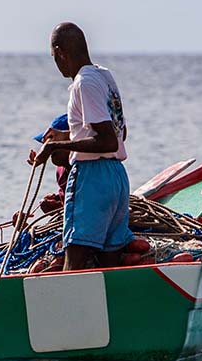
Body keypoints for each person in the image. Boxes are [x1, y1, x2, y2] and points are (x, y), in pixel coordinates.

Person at [34, 22, 134, 270]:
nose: (55, 63)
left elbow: (107, 140)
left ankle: (64, 309)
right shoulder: (103, 75)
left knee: (75, 261)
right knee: (109, 262)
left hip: (92, 178)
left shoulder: (83, 83)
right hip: (116, 178)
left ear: (60, 52)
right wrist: (65, 135)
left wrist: (54, 148)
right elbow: (119, 133)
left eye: (53, 56)